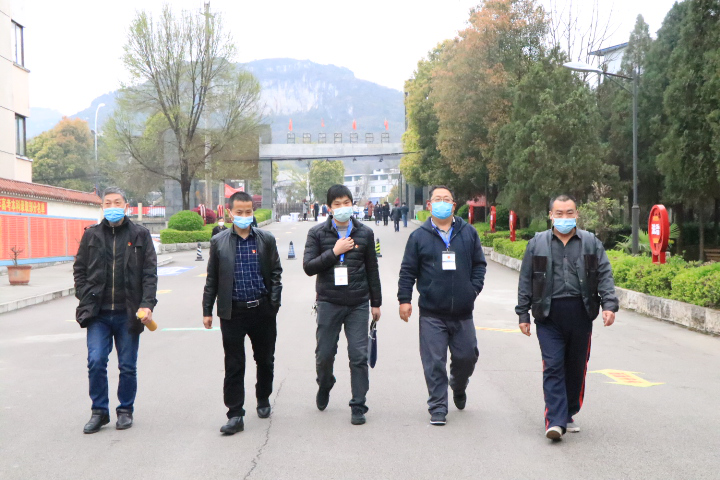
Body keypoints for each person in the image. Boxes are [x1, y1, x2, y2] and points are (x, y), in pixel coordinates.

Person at [516, 194, 618, 441]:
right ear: (551, 215)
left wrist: (609, 304)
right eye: (559, 213)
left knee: (576, 367)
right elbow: (526, 279)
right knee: (553, 366)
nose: (564, 217)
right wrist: (523, 313)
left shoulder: (590, 243)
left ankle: (568, 411)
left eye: (569, 213)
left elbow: (604, 274)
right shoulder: (537, 243)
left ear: (576, 214)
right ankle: (555, 420)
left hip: (580, 313)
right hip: (548, 315)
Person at [398, 185, 486, 426]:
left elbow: (479, 264)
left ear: (454, 205)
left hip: (463, 312)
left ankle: (458, 385)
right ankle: (438, 406)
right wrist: (404, 299)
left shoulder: (468, 233)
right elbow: (407, 271)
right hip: (431, 313)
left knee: (467, 357)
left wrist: (472, 290)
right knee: (434, 362)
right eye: (438, 199)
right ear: (429, 205)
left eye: (447, 199)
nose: (442, 203)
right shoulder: (419, 236)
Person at [73, 187, 158, 434]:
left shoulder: (140, 234)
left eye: (117, 202)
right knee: (96, 361)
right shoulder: (91, 235)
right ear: (102, 207)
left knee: (127, 366)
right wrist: (85, 295)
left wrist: (147, 303)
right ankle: (99, 411)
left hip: (128, 312)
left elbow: (149, 273)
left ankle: (125, 410)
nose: (112, 207)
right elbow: (79, 269)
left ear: (126, 206)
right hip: (98, 313)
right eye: (108, 203)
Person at [202, 191, 283, 435]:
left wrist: (273, 304)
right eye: (239, 212)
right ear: (230, 213)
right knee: (234, 364)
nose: (244, 216)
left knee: (265, 359)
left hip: (262, 311)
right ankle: (235, 414)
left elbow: (276, 273)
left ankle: (263, 397)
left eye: (248, 212)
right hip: (233, 312)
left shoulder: (266, 239)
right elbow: (212, 278)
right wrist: (207, 310)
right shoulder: (219, 242)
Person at [303, 184, 382, 426]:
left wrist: (376, 303)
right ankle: (325, 383)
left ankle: (358, 405)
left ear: (352, 204)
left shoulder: (365, 233)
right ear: (329, 208)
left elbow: (372, 269)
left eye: (346, 203)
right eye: (337, 204)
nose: (342, 207)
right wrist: (335, 252)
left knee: (358, 356)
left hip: (358, 303)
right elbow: (309, 267)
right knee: (324, 355)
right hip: (329, 302)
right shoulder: (317, 233)